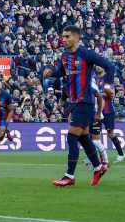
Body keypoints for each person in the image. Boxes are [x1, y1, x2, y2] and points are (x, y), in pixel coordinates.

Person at [43, 26, 115, 187]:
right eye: (63, 36)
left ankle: (69, 176)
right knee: (83, 137)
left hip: (85, 101)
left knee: (72, 136)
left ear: (76, 37)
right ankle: (98, 167)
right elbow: (61, 72)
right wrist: (51, 72)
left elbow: (110, 66)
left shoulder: (86, 54)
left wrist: (108, 85)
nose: (64, 39)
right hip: (74, 102)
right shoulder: (64, 55)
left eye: (67, 36)